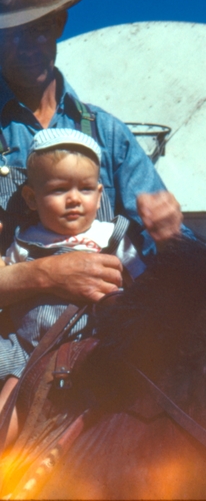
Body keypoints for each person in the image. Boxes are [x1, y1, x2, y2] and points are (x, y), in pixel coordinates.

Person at [0, 0, 183, 311]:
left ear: (59, 24)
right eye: (13, 33)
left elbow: (162, 254)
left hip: (106, 341)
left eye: (38, 29)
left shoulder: (109, 135)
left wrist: (171, 236)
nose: (28, 46)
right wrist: (45, 274)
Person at [0, 128, 148, 442]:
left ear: (99, 195)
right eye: (58, 190)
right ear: (31, 198)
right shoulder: (25, 243)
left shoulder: (112, 239)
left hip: (92, 351)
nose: (74, 200)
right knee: (5, 417)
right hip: (29, 354)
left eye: (85, 189)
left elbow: (143, 289)